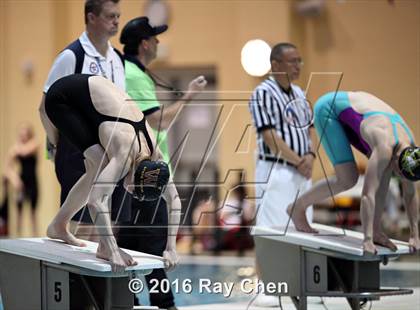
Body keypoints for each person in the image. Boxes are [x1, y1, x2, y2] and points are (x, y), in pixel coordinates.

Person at [39, 74, 181, 271]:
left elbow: (174, 200)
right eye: (135, 190)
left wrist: (171, 248)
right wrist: (114, 250)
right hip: (62, 98)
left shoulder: (154, 154)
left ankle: (58, 225)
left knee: (97, 166)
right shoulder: (124, 154)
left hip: (89, 98)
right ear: (136, 175)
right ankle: (92, 240)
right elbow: (95, 202)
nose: (131, 193)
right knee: (98, 166)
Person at [117, 16, 206, 309]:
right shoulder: (134, 75)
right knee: (153, 248)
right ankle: (164, 305)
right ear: (144, 44)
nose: (157, 43)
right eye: (154, 39)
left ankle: (127, 302)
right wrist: (190, 97)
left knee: (130, 246)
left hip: (135, 173)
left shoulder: (131, 71)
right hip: (146, 174)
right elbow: (157, 119)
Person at [287, 91, 420, 254]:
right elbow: (367, 195)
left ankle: (377, 230)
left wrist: (415, 235)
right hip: (329, 109)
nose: (399, 176)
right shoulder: (385, 147)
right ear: (398, 160)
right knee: (348, 178)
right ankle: (298, 207)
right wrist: (367, 239)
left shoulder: (412, 150)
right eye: (399, 173)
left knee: (384, 174)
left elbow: (411, 194)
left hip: (361, 117)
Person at [40, 0, 130, 236]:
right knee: (83, 227)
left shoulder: (118, 60)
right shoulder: (72, 56)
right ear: (91, 18)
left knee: (110, 226)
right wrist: (59, 143)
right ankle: (75, 274)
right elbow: (44, 108)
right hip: (77, 147)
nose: (117, 21)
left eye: (118, 16)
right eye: (111, 16)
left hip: (111, 147)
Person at [248, 42, 315, 307]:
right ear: (275, 65)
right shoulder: (262, 93)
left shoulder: (299, 91)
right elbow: (269, 136)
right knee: (270, 228)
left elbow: (309, 128)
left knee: (302, 227)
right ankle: (266, 286)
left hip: (302, 170)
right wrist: (299, 160)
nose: (298, 66)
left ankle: (299, 283)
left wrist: (310, 156)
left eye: (300, 60)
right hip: (275, 169)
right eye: (292, 61)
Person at [2, 124, 39, 236]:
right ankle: (18, 236)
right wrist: (15, 178)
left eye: (24, 135)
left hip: (33, 181)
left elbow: (25, 151)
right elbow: (6, 168)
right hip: (22, 182)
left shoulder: (34, 143)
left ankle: (35, 236)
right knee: (19, 212)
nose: (22, 137)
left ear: (29, 135)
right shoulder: (16, 148)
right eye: (21, 135)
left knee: (33, 212)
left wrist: (15, 149)